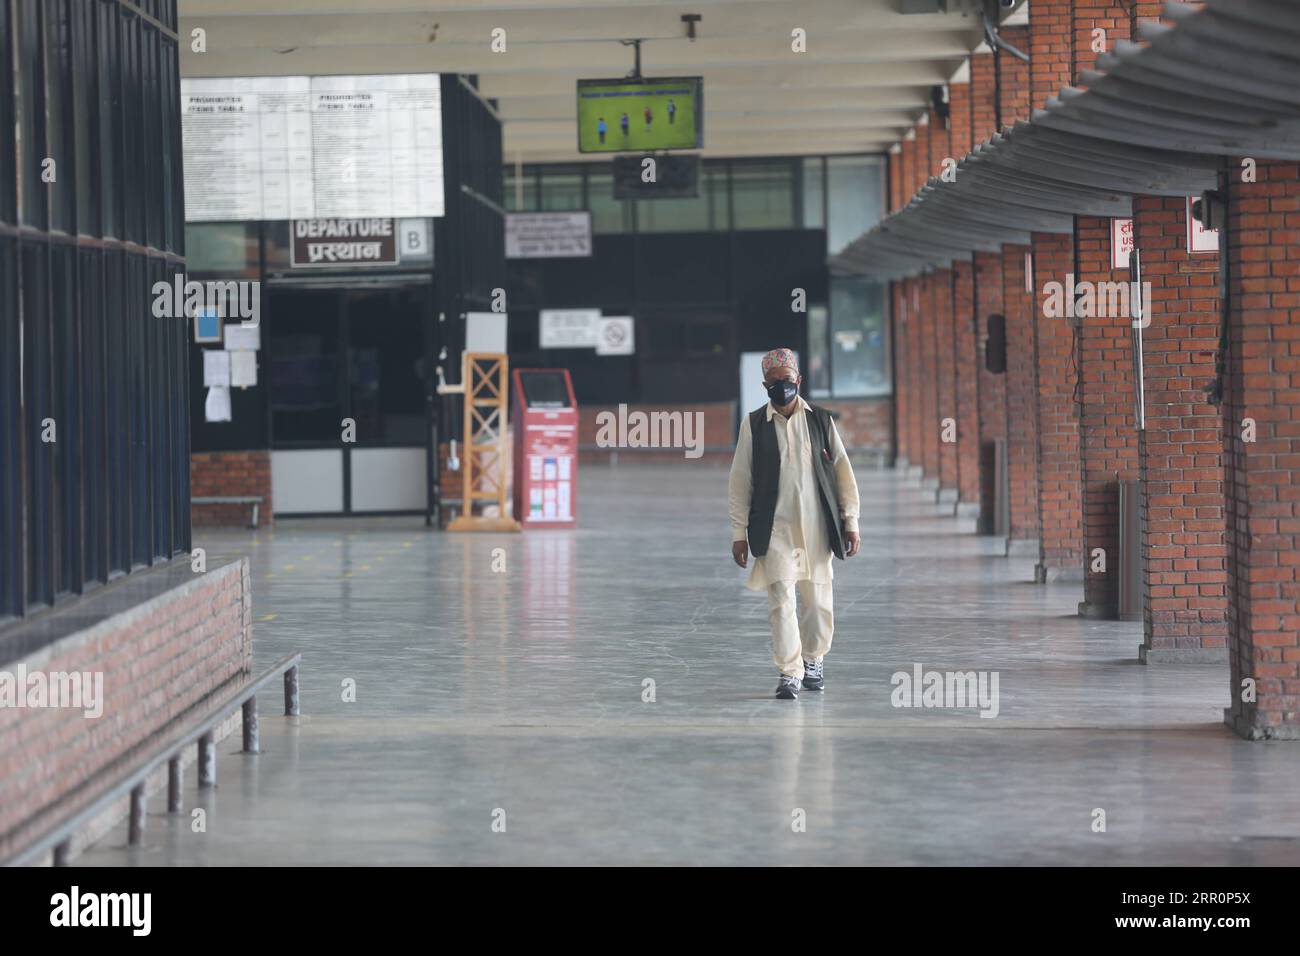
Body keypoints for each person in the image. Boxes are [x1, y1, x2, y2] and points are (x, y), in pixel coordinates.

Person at [728, 348, 861, 700]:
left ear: (799, 381)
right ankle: (789, 672)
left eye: (787, 381)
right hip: (775, 530)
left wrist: (851, 521)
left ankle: (813, 659)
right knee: (781, 600)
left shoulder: (820, 420)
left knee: (817, 602)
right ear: (764, 386)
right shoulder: (754, 424)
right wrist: (738, 533)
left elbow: (843, 472)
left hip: (817, 528)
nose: (782, 388)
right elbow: (740, 481)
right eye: (774, 383)